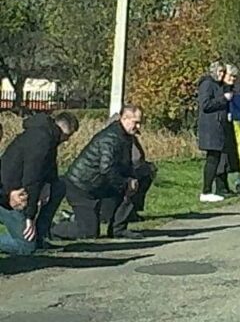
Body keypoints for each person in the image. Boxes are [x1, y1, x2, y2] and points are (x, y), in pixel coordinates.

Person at [51, 106, 143, 241]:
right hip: (81, 186)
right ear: (125, 119)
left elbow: (125, 163)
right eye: (136, 122)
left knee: (137, 181)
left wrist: (132, 180)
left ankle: (118, 229)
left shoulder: (125, 136)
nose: (138, 126)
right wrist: (125, 183)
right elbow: (106, 168)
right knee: (89, 232)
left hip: (98, 184)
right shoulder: (110, 138)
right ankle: (49, 229)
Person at [0, 112, 79, 253]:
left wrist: (48, 184)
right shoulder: (41, 140)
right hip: (8, 195)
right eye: (68, 136)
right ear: (65, 131)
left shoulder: (48, 136)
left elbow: (50, 167)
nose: (67, 141)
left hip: (19, 190)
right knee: (26, 247)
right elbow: (32, 177)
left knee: (59, 186)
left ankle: (40, 237)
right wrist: (30, 215)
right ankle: (29, 241)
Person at [197, 61, 234, 203]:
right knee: (212, 159)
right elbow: (205, 104)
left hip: (218, 126)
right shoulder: (207, 84)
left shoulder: (219, 85)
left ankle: (212, 189)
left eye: (223, 72)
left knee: (216, 158)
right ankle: (206, 191)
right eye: (219, 72)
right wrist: (223, 99)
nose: (221, 75)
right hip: (210, 126)